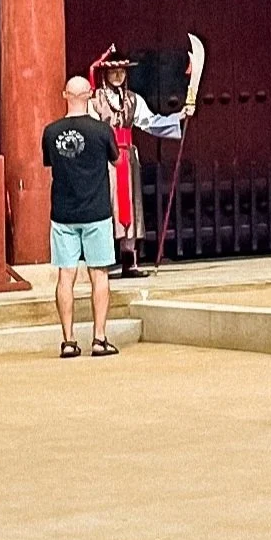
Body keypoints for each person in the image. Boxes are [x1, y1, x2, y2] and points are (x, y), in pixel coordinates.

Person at [88, 46, 186, 275]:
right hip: (106, 160)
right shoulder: (95, 101)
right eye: (113, 72)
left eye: (122, 71)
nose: (118, 76)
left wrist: (178, 117)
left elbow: (150, 122)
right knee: (107, 206)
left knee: (130, 206)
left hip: (128, 158)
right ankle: (102, 260)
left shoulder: (133, 99)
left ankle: (129, 260)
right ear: (105, 74)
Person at [42, 74, 120, 357]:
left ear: (65, 95)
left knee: (66, 275)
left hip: (63, 212)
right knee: (99, 274)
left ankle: (68, 340)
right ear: (90, 95)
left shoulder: (51, 132)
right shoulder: (101, 131)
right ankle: (99, 338)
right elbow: (116, 159)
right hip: (96, 211)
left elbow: (49, 163)